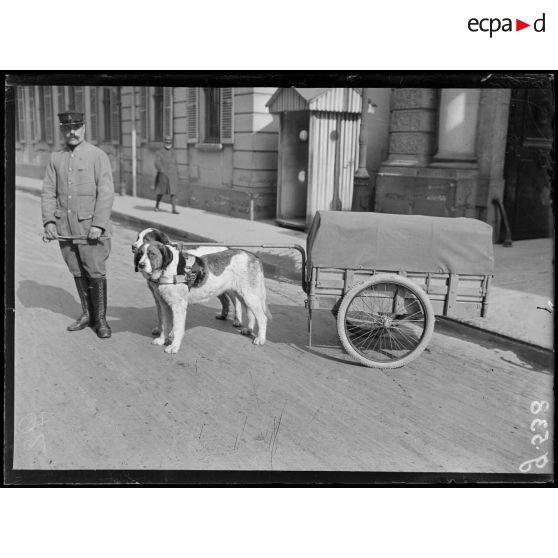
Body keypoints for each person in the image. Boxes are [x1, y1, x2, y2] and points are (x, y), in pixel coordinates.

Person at [41, 111, 115, 339]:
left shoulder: (97, 155)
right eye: (66, 128)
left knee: (95, 272)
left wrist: (99, 225)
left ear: (84, 127)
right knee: (76, 270)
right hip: (66, 230)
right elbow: (48, 192)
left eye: (76, 127)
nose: (72, 132)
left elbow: (106, 192)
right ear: (61, 130)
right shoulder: (56, 158)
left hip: (91, 229)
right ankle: (87, 314)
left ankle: (100, 319)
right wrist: (49, 222)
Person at [153, 135, 179, 214]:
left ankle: (173, 209)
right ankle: (157, 206)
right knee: (161, 191)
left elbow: (175, 163)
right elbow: (157, 162)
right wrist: (161, 170)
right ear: (164, 142)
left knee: (173, 192)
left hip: (172, 175)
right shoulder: (159, 152)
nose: (168, 143)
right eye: (167, 141)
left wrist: (177, 173)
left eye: (169, 141)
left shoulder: (173, 152)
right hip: (163, 175)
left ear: (171, 142)